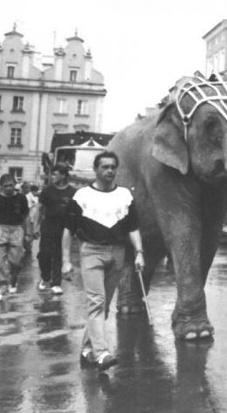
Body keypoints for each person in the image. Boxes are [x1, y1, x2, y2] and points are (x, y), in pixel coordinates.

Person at [61, 151, 145, 372]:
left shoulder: (125, 195)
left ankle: (87, 348)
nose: (109, 171)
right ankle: (102, 353)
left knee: (104, 305)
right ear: (96, 170)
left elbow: (133, 227)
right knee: (97, 302)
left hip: (117, 253)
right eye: (105, 167)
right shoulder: (82, 196)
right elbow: (68, 231)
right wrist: (65, 261)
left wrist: (139, 252)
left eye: (112, 167)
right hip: (91, 252)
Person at [37, 164, 75, 294]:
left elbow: (77, 212)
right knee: (44, 254)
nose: (51, 176)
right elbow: (39, 209)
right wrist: (36, 227)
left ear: (63, 175)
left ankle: (56, 283)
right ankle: (45, 277)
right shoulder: (47, 191)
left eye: (54, 174)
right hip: (48, 225)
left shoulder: (72, 192)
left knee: (59, 254)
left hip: (64, 228)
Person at [0, 173, 30, 299]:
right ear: (1, 186)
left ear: (15, 185)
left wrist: (28, 233)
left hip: (17, 229)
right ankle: (2, 285)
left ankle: (13, 279)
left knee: (16, 260)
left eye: (10, 185)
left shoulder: (21, 198)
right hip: (1, 228)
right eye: (5, 186)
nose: (8, 188)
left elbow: (26, 216)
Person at [23, 183, 40, 255]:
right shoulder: (27, 197)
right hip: (29, 218)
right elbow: (27, 208)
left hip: (34, 218)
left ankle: (29, 246)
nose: (37, 192)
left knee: (33, 234)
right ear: (33, 191)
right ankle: (27, 246)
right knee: (28, 233)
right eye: (36, 191)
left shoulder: (36, 198)